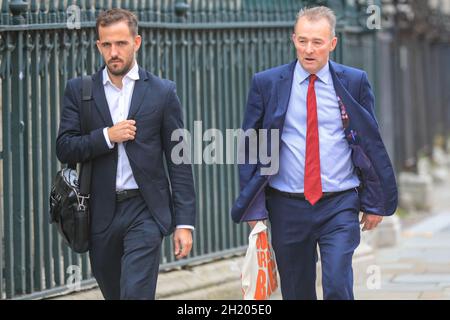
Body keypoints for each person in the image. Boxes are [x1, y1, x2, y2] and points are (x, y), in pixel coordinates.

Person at [231, 6, 397, 300]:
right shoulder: (267, 83)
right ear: (293, 38)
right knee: (296, 292)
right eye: (303, 40)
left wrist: (375, 202)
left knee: (336, 283)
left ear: (332, 44)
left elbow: (370, 143)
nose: (309, 49)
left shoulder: (354, 81)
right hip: (287, 205)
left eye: (317, 42)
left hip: (340, 203)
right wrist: (254, 208)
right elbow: (251, 145)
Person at [56, 8, 196, 300]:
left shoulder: (162, 92)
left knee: (135, 294)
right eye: (106, 45)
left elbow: (179, 160)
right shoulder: (79, 91)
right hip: (99, 212)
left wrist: (184, 223)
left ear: (137, 42)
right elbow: (65, 147)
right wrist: (108, 136)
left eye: (121, 43)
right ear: (98, 46)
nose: (113, 52)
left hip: (145, 210)